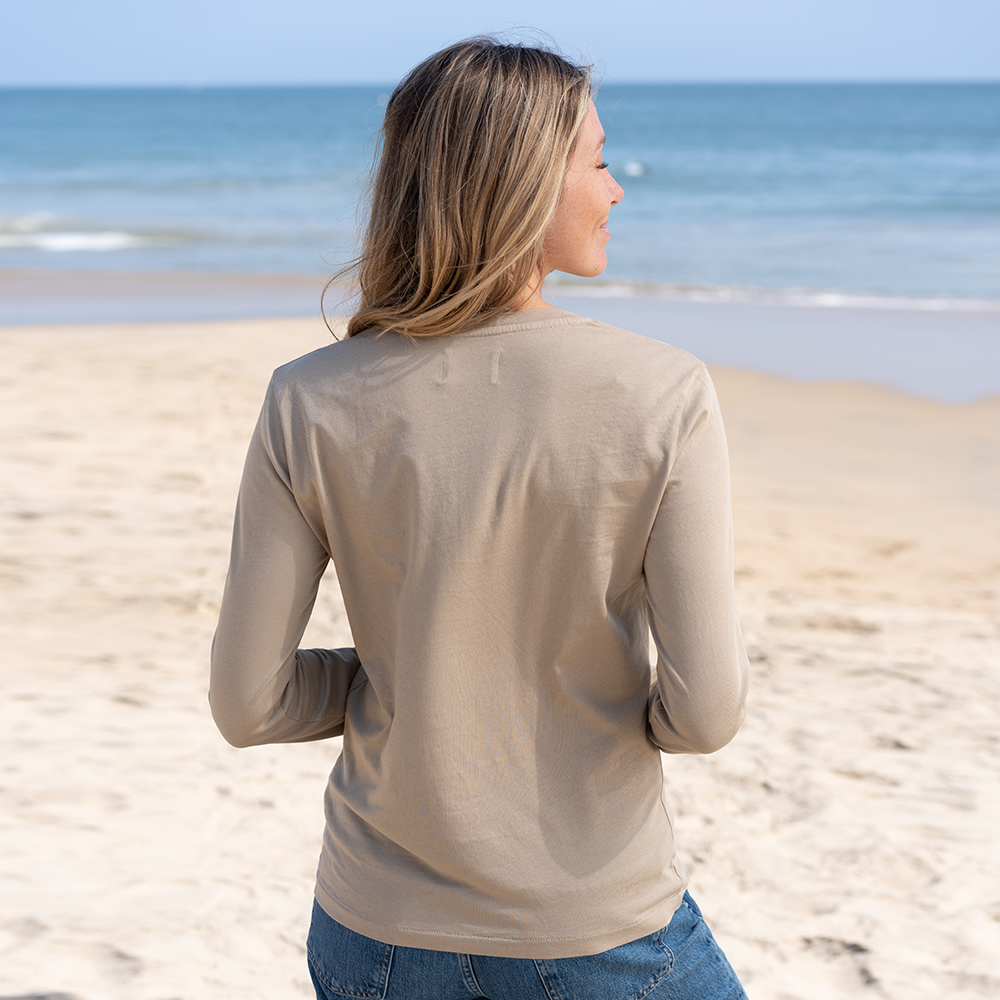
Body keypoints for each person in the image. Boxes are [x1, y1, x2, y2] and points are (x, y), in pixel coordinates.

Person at [210, 37, 750, 1000]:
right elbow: (705, 714)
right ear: (525, 182)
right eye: (598, 160)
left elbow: (248, 704)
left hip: (374, 935)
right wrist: (579, 696)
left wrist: (407, 680)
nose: (617, 188)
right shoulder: (663, 392)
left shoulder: (309, 398)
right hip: (593, 923)